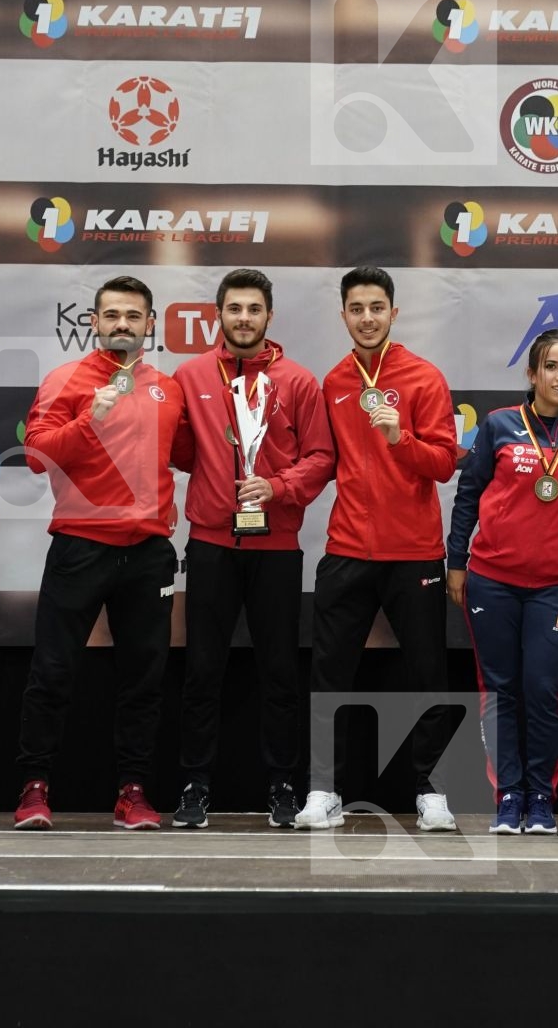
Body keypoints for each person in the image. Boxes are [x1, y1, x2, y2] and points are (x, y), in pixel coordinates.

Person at [12, 276, 190, 832]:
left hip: (148, 552)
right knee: (52, 671)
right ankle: (34, 787)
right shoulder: (66, 379)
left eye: (133, 316)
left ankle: (133, 792)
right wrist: (91, 418)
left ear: (150, 324)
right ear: (93, 322)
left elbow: (190, 455)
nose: (122, 324)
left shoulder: (168, 388)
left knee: (144, 679)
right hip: (81, 546)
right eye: (111, 315)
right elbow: (36, 456)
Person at [170, 269, 335, 829]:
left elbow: (321, 457)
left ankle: (283, 784)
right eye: (235, 308)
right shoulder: (191, 375)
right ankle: (194, 784)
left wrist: (278, 486)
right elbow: (182, 449)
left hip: (277, 547)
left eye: (254, 309)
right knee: (201, 671)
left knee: (280, 672)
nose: (244, 318)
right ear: (219, 314)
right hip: (211, 543)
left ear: (270, 315)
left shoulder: (299, 381)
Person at [297, 267, 460, 832]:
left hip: (414, 552)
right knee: (329, 675)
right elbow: (323, 460)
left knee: (428, 674)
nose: (367, 318)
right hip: (347, 548)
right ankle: (324, 790)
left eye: (376, 307)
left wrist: (401, 438)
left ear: (394, 312)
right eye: (356, 308)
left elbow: (444, 464)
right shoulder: (334, 381)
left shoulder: (424, 376)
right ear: (343, 315)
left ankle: (433, 791)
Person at [448, 329, 558, 835]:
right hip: (492, 580)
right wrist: (456, 562)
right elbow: (468, 495)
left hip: (554, 585)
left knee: (543, 690)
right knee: (500, 690)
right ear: (532, 373)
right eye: (551, 367)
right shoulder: (500, 424)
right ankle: (508, 794)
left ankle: (540, 795)